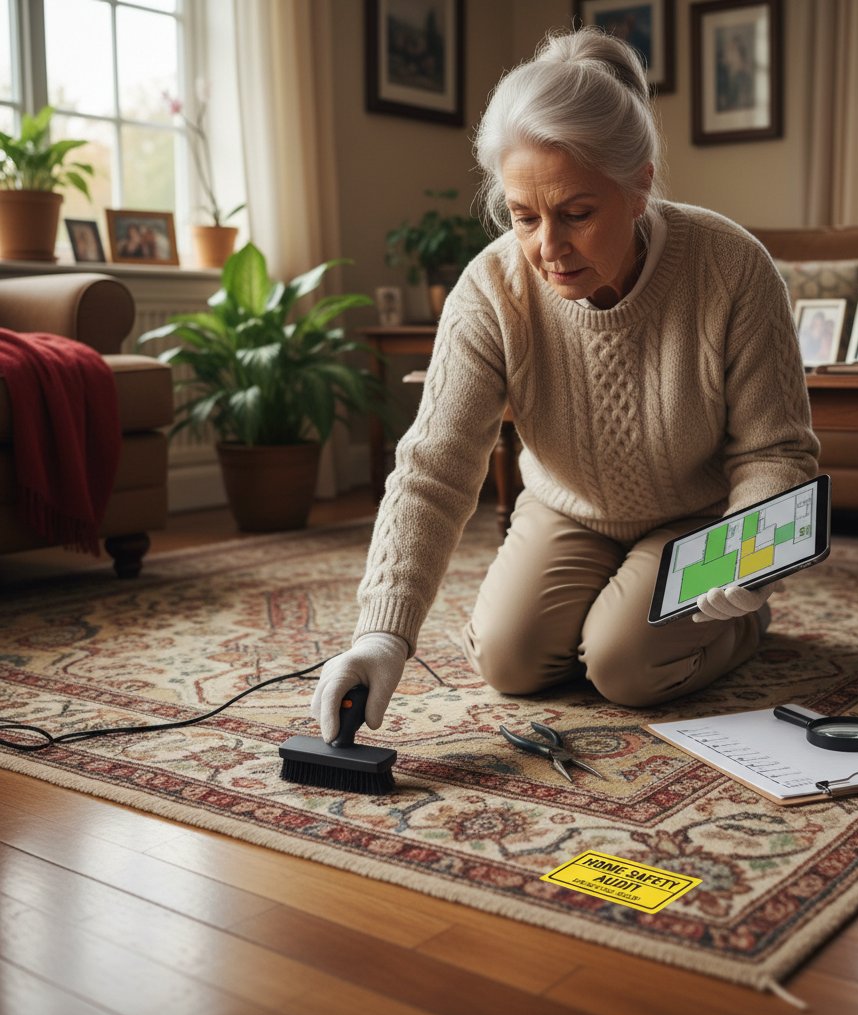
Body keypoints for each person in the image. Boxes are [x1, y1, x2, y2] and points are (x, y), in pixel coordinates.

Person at [311, 28, 819, 742]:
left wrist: (749, 561)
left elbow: (776, 451)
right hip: (568, 507)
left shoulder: (733, 267)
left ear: (639, 186)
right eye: (524, 217)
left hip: (696, 519)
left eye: (577, 214)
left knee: (624, 666)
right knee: (508, 661)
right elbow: (434, 467)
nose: (548, 248)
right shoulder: (491, 288)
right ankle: (614, 609)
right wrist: (380, 635)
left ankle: (743, 626)